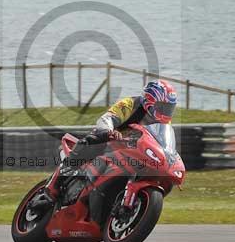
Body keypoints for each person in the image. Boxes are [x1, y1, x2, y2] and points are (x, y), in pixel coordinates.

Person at [37, 80, 178, 207]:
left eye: (169, 108)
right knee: (94, 140)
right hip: (111, 141)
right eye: (162, 107)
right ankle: (55, 183)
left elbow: (163, 142)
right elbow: (107, 119)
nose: (166, 112)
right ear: (149, 102)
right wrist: (109, 131)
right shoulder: (129, 104)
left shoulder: (163, 123)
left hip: (134, 151)